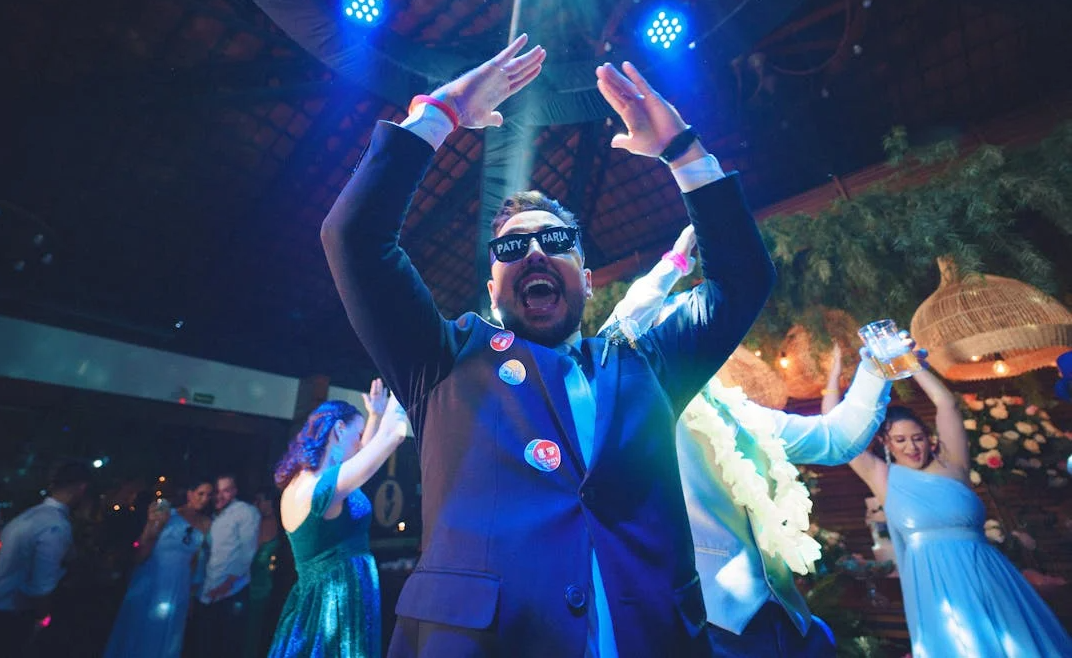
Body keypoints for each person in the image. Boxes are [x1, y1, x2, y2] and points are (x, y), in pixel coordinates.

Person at [320, 34, 774, 656]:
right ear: (491, 286)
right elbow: (353, 238)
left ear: (587, 281)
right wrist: (441, 113)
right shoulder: (442, 360)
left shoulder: (646, 364)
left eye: (556, 242)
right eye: (510, 247)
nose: (533, 251)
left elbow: (743, 280)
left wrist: (683, 152)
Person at [601, 231, 894, 656]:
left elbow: (836, 440)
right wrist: (672, 266)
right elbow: (617, 339)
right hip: (709, 625)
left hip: (789, 620)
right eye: (688, 330)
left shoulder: (741, 414)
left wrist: (877, 371)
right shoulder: (645, 407)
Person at [848, 362, 1072, 657]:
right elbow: (844, 434)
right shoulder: (883, 477)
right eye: (900, 440)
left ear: (929, 437)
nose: (912, 447)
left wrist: (908, 362)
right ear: (885, 443)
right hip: (934, 585)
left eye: (918, 437)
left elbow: (946, 403)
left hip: (987, 573)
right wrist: (857, 368)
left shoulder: (954, 466)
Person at [267, 383, 408, 658]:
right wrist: (403, 383)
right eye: (357, 434)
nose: (360, 443)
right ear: (339, 430)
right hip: (337, 603)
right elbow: (394, 435)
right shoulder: (324, 489)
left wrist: (375, 416)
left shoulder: (301, 484)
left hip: (316, 601)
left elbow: (361, 455)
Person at [0, 460, 89, 657]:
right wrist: (44, 618)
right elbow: (41, 585)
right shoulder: (55, 525)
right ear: (82, 488)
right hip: (4, 615)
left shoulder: (31, 515)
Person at [103, 478, 212, 658]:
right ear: (190, 493)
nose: (204, 499)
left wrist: (192, 594)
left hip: (179, 587)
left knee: (167, 635)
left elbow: (196, 562)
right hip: (153, 581)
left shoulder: (207, 524)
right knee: (140, 630)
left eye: (208, 495)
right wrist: (151, 525)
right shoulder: (169, 515)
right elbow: (142, 552)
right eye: (200, 493)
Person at [193, 473, 261, 658]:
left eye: (227, 490)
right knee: (205, 646)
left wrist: (225, 586)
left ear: (235, 491)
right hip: (209, 591)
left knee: (227, 647)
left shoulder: (245, 512)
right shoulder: (214, 516)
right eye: (217, 491)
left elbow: (247, 553)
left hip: (231, 592)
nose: (220, 495)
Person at [244, 486, 283, 658]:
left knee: (262, 631)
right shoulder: (251, 522)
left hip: (269, 585)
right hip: (247, 583)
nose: (259, 504)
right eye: (257, 501)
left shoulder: (282, 524)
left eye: (263, 500)